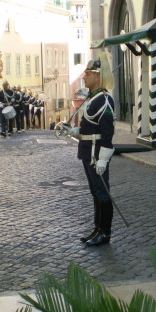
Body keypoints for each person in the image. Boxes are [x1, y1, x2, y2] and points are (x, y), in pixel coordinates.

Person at [61, 55, 116, 247]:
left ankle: (105, 232)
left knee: (102, 192)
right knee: (95, 191)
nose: (85, 77)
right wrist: (72, 131)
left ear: (98, 76)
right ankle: (97, 228)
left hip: (97, 153)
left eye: (89, 74)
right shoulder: (92, 99)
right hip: (87, 150)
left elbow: (107, 133)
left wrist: (103, 160)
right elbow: (89, 128)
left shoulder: (105, 100)